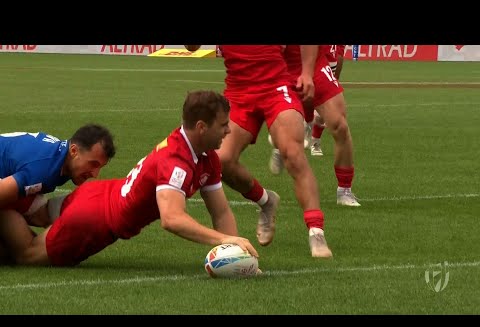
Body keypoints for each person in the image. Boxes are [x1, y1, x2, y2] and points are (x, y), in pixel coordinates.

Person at [0, 90, 259, 266]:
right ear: (202, 127)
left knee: (32, 211)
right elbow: (172, 219)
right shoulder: (175, 161)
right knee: (27, 253)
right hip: (94, 219)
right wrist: (225, 240)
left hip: (98, 195)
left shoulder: (205, 156)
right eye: (224, 124)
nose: (229, 130)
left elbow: (221, 213)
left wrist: (237, 257)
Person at [214, 45, 332, 258]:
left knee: (293, 154)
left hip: (276, 88)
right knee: (220, 160)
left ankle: (316, 231)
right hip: (238, 92)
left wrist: (306, 72)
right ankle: (266, 201)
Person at [268, 45, 360, 207]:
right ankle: (279, 145)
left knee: (340, 126)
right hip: (281, 68)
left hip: (316, 65)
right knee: (285, 126)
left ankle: (344, 190)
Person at [0, 124, 117, 226]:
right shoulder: (44, 169)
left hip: (12, 176)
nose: (95, 174)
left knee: (43, 217)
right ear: (74, 151)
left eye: (100, 167)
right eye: (93, 164)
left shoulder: (63, 159)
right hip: (7, 180)